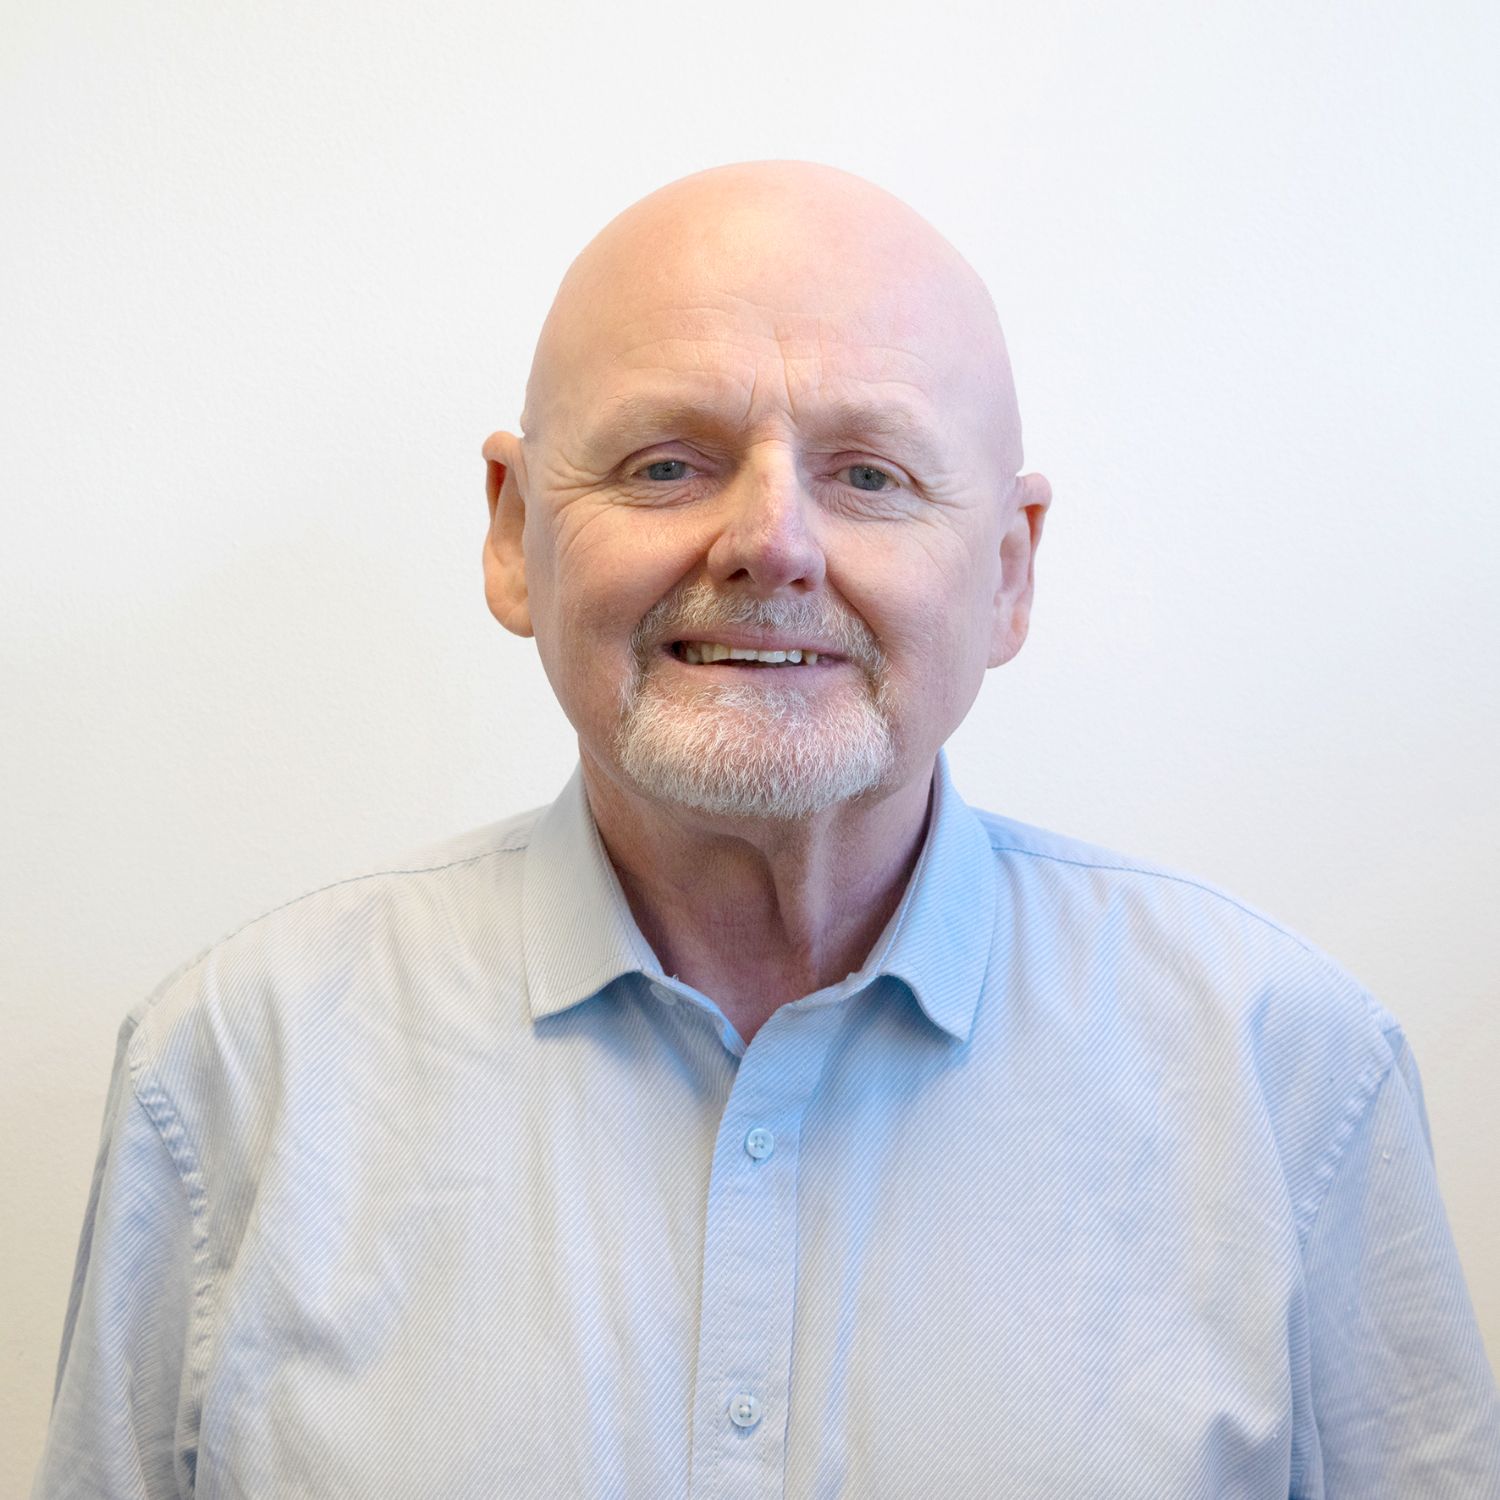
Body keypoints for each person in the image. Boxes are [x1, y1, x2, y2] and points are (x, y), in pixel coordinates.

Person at [33, 160, 1500, 1499]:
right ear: (513, 534)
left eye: (870, 475)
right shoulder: (238, 1070)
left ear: (1007, 571)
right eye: (666, 463)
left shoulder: (1289, 1077)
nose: (771, 543)